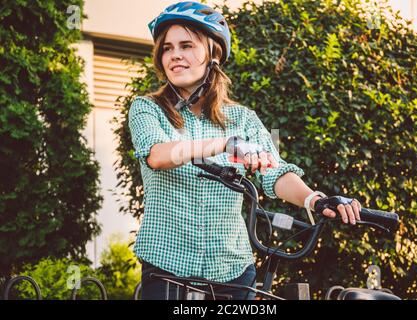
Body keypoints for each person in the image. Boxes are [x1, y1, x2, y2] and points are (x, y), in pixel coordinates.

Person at [128, 1, 361, 300]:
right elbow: (158, 156)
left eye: (186, 45)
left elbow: (274, 171)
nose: (174, 55)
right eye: (167, 48)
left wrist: (314, 199)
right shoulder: (148, 108)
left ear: (213, 55)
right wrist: (226, 144)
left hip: (233, 272)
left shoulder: (243, 119)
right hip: (168, 269)